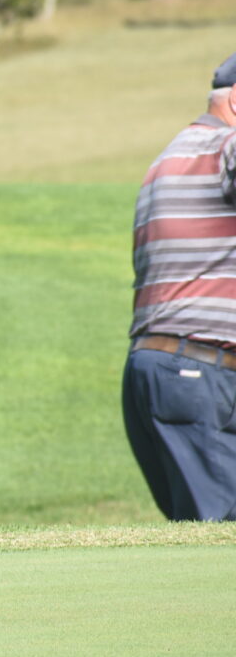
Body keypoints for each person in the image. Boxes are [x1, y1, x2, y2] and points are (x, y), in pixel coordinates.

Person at [123, 51, 236, 521]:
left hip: (164, 370)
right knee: (221, 547)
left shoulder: (170, 156)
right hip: (199, 373)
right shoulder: (224, 149)